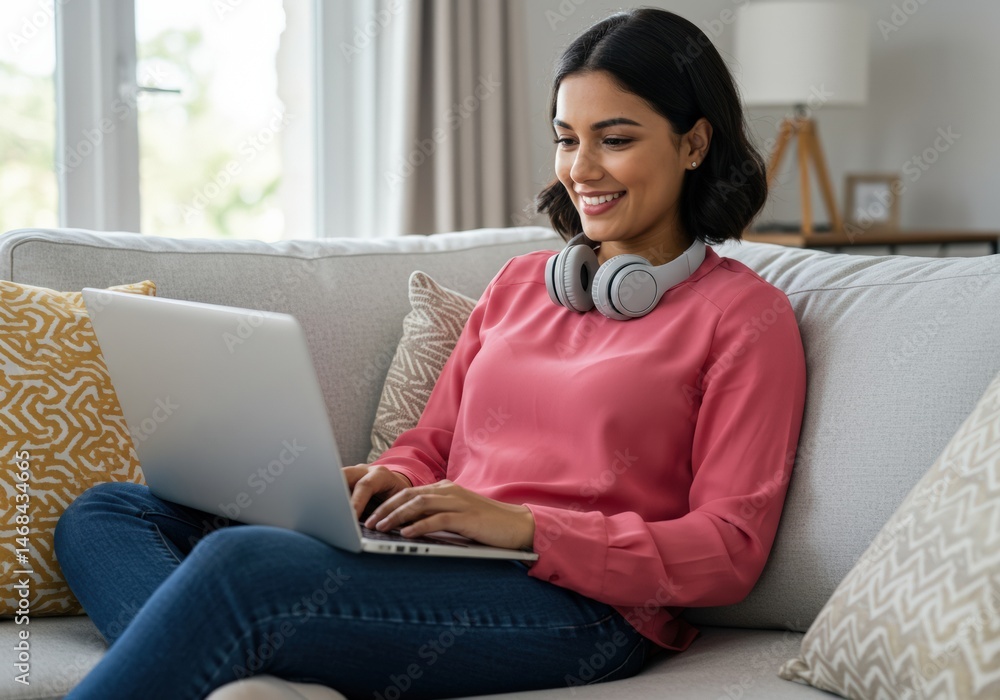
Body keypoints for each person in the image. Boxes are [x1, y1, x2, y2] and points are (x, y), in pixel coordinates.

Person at [53, 7, 807, 700]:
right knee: (107, 514)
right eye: (566, 138)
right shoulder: (520, 284)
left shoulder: (745, 319)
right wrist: (395, 479)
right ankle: (235, 660)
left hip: (584, 609)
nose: (581, 169)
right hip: (442, 555)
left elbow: (729, 549)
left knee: (240, 569)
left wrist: (527, 528)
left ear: (694, 142)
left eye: (615, 139)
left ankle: (227, 640)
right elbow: (433, 442)